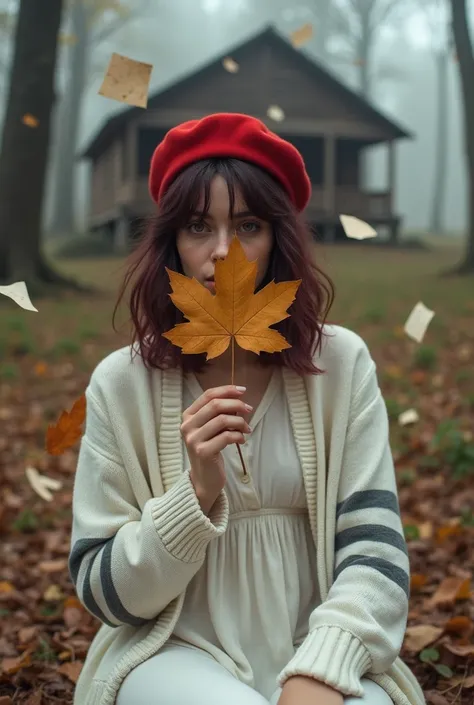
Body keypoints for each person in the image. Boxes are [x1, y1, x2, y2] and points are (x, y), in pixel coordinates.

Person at [69, 113, 426, 705]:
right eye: (196, 226)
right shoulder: (121, 384)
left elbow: (376, 556)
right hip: (174, 654)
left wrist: (323, 669)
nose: (222, 253)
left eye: (249, 225)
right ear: (171, 246)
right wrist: (197, 493)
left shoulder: (340, 365)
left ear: (279, 240)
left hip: (322, 648)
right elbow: (103, 593)